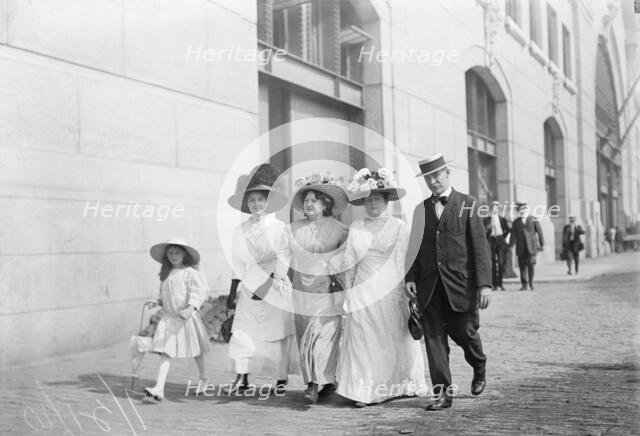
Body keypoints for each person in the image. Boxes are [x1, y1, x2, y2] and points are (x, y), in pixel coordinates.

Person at [405, 153, 492, 411]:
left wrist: (484, 285)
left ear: (447, 174)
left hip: (460, 286)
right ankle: (442, 394)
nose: (433, 182)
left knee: (465, 332)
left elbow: (480, 248)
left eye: (437, 176)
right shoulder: (420, 210)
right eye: (428, 178)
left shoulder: (468, 204)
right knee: (434, 340)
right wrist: (410, 278)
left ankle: (479, 364)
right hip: (429, 286)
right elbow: (415, 248)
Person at [336, 168, 428, 407]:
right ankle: (364, 391)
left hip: (390, 287)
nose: (372, 203)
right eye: (368, 199)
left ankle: (401, 383)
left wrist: (408, 291)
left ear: (386, 200)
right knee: (362, 338)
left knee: (393, 336)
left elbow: (406, 261)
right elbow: (349, 262)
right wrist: (347, 292)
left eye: (377, 198)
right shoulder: (356, 226)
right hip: (362, 287)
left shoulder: (399, 227)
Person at [225, 164, 299, 394]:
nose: (256, 204)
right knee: (242, 333)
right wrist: (236, 286)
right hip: (249, 285)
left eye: (260, 199)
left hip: (274, 284)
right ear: (246, 204)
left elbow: (283, 256)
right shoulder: (239, 230)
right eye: (252, 200)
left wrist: (273, 281)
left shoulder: (278, 228)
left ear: (267, 202)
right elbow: (237, 261)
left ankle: (279, 377)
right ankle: (242, 376)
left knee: (274, 335)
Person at [275, 172, 349, 404]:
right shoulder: (292, 228)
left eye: (313, 200)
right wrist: (280, 275)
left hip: (328, 290)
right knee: (306, 337)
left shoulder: (340, 229)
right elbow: (283, 253)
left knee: (324, 337)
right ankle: (316, 381)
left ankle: (317, 383)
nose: (308, 204)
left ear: (325, 203)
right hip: (301, 291)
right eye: (306, 200)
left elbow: (349, 257)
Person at [144, 237, 211, 401]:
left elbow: (198, 292)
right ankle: (159, 388)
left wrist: (191, 307)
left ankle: (204, 378)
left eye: (177, 253)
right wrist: (157, 301)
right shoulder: (166, 275)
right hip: (170, 319)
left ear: (184, 255)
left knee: (197, 351)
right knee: (166, 352)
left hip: (186, 318)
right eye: (170, 253)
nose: (173, 256)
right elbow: (165, 295)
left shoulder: (190, 273)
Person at [509, 201, 544, 290]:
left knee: (531, 265)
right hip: (521, 247)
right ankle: (524, 284)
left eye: (524, 208)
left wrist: (542, 243)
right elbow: (513, 234)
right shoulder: (516, 222)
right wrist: (511, 245)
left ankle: (531, 283)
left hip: (532, 247)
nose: (523, 210)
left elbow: (539, 232)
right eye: (521, 209)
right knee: (522, 266)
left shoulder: (533, 219)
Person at [483, 200, 511, 290]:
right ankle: (494, 284)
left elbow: (508, 230)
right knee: (493, 264)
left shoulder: (503, 219)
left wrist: (504, 238)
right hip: (491, 241)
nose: (495, 209)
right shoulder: (486, 220)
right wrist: (489, 226)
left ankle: (501, 283)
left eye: (497, 207)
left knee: (501, 262)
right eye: (493, 207)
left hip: (500, 241)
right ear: (491, 208)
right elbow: (483, 232)